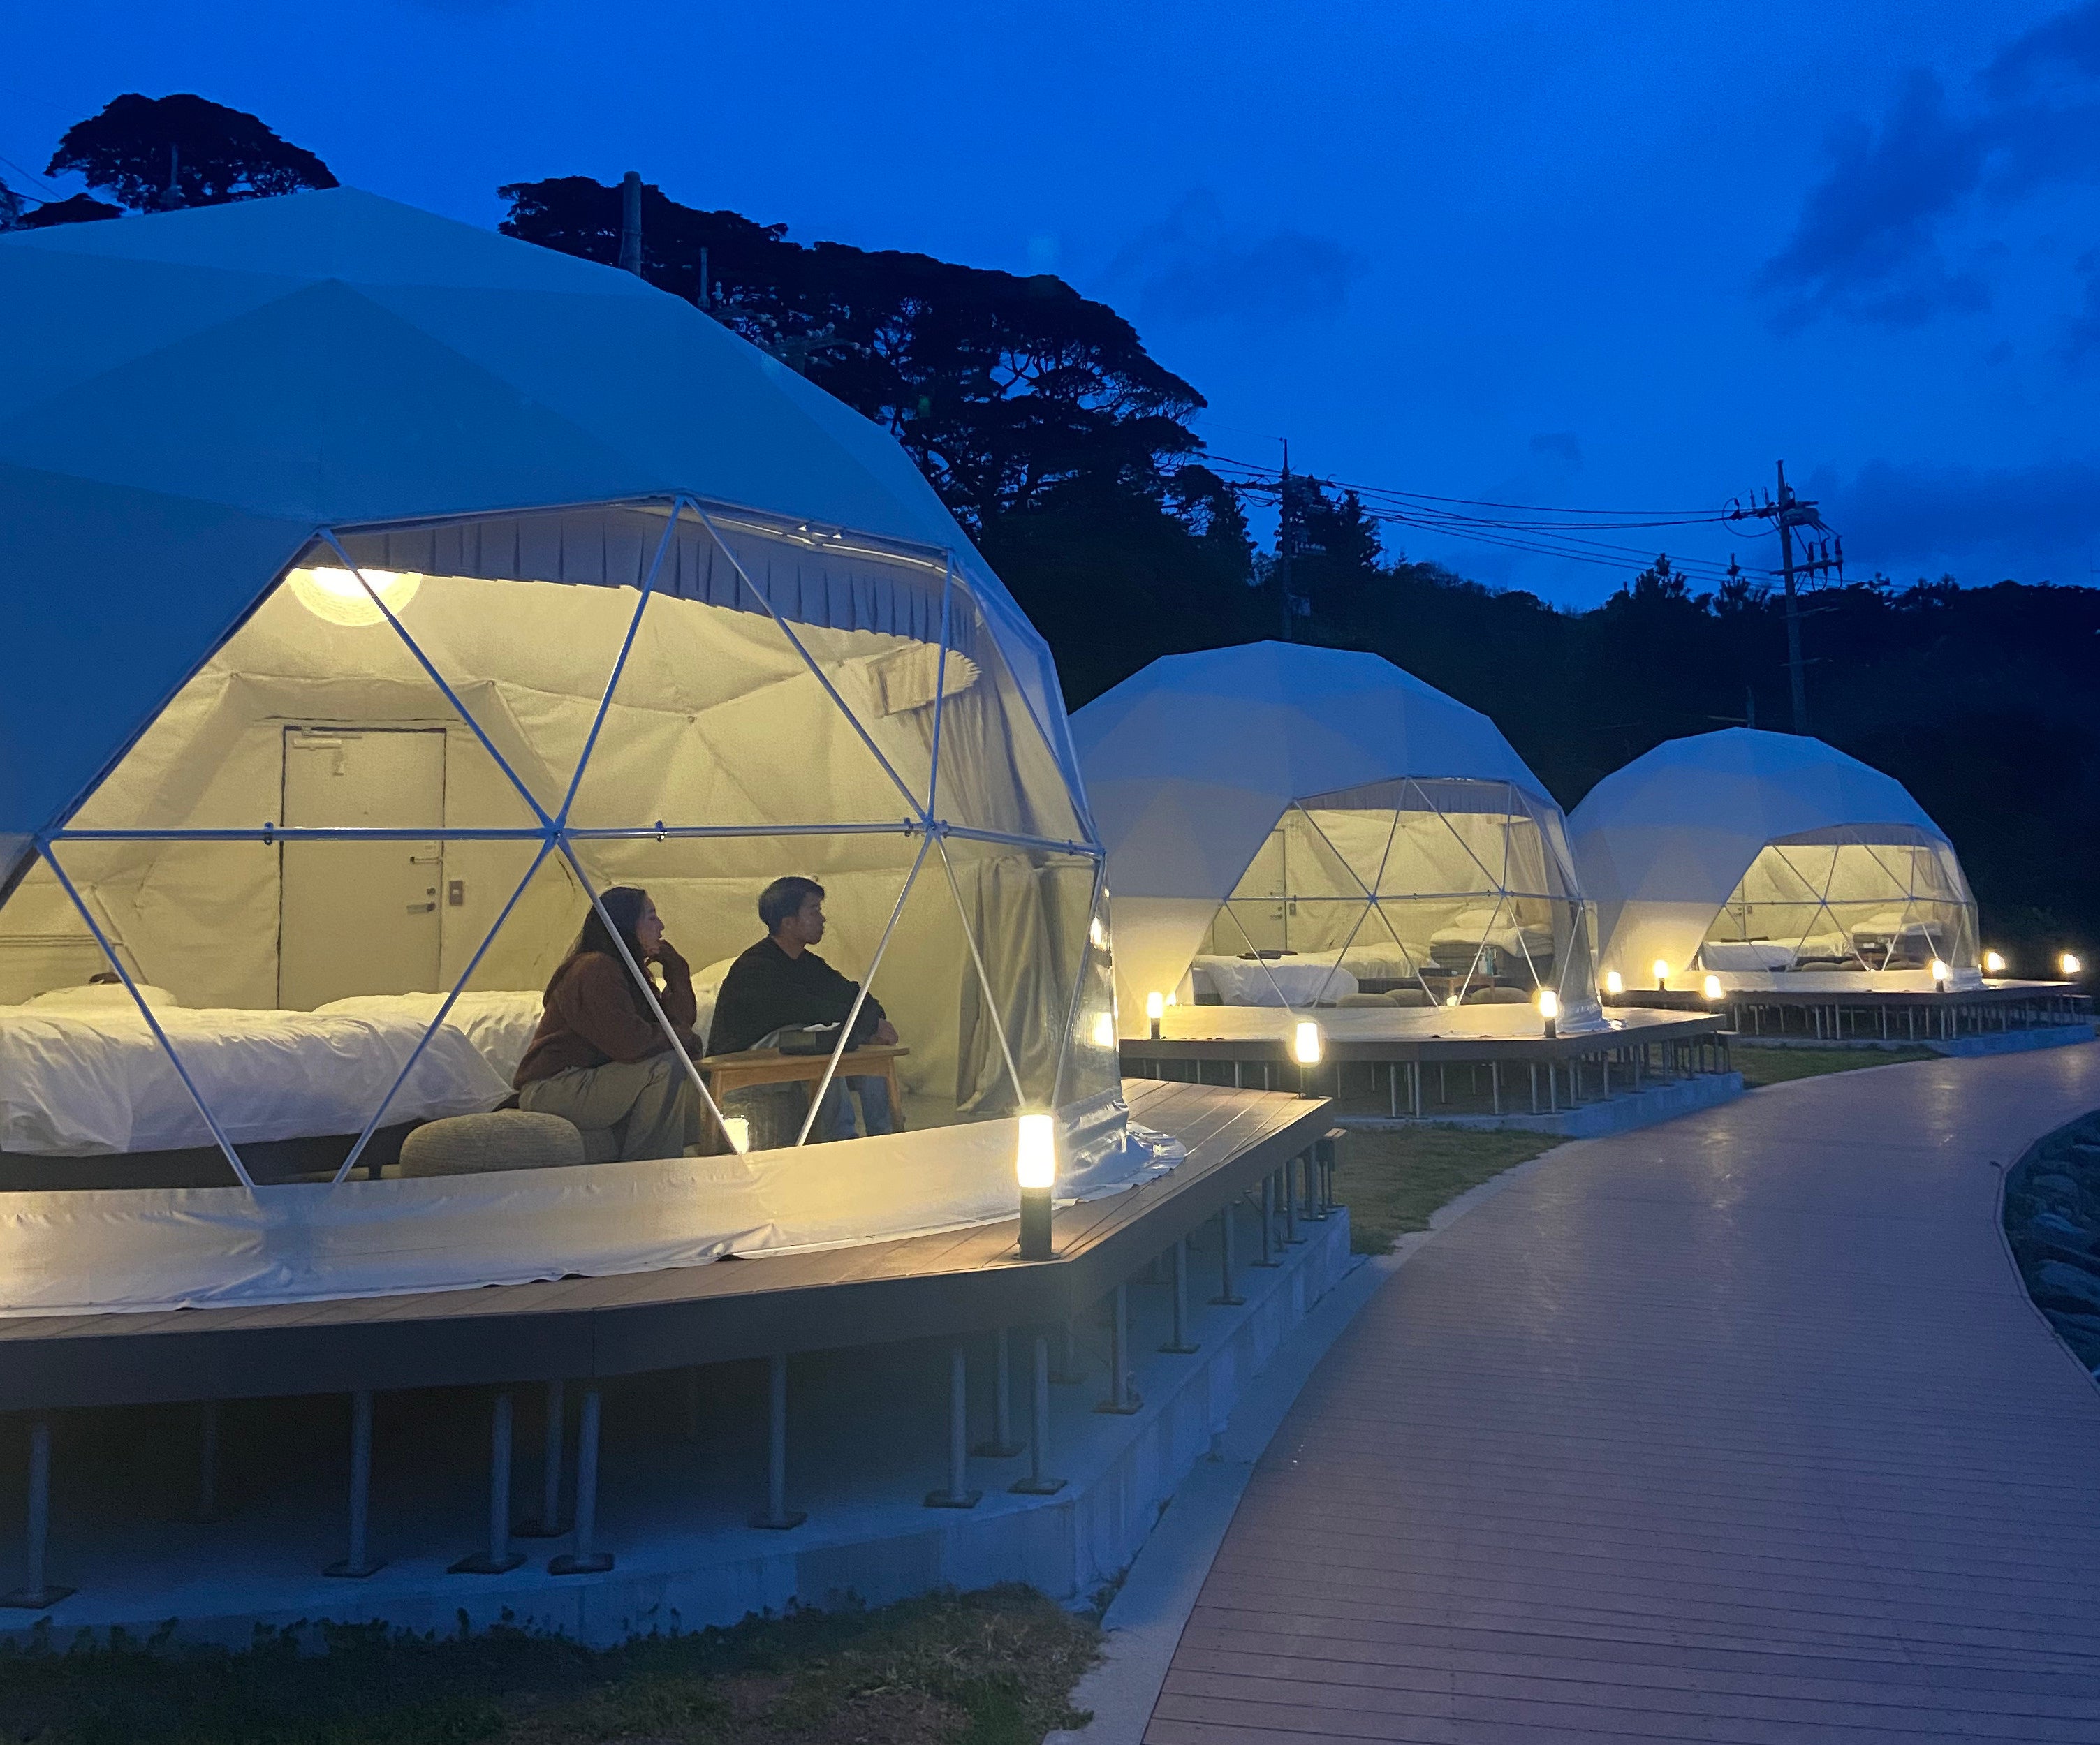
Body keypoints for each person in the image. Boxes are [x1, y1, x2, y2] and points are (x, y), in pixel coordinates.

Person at [513, 886, 707, 1161]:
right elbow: (630, 1043)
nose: (661, 926)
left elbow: (677, 1024)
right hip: (555, 1086)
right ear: (627, 926)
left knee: (681, 1061)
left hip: (590, 1079)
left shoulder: (628, 972)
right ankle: (649, 1169)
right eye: (651, 917)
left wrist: (678, 971)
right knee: (666, 1065)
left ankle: (694, 1153)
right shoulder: (595, 969)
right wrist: (681, 1038)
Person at [710, 876, 897, 1141]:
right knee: (820, 1043)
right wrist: (870, 1023)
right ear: (788, 922)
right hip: (742, 1060)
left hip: (786, 1050)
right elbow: (806, 1009)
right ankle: (841, 1139)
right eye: (814, 910)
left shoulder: (809, 963)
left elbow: (855, 995)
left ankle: (886, 1136)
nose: (823, 919)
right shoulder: (756, 967)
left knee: (863, 1043)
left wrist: (875, 1022)